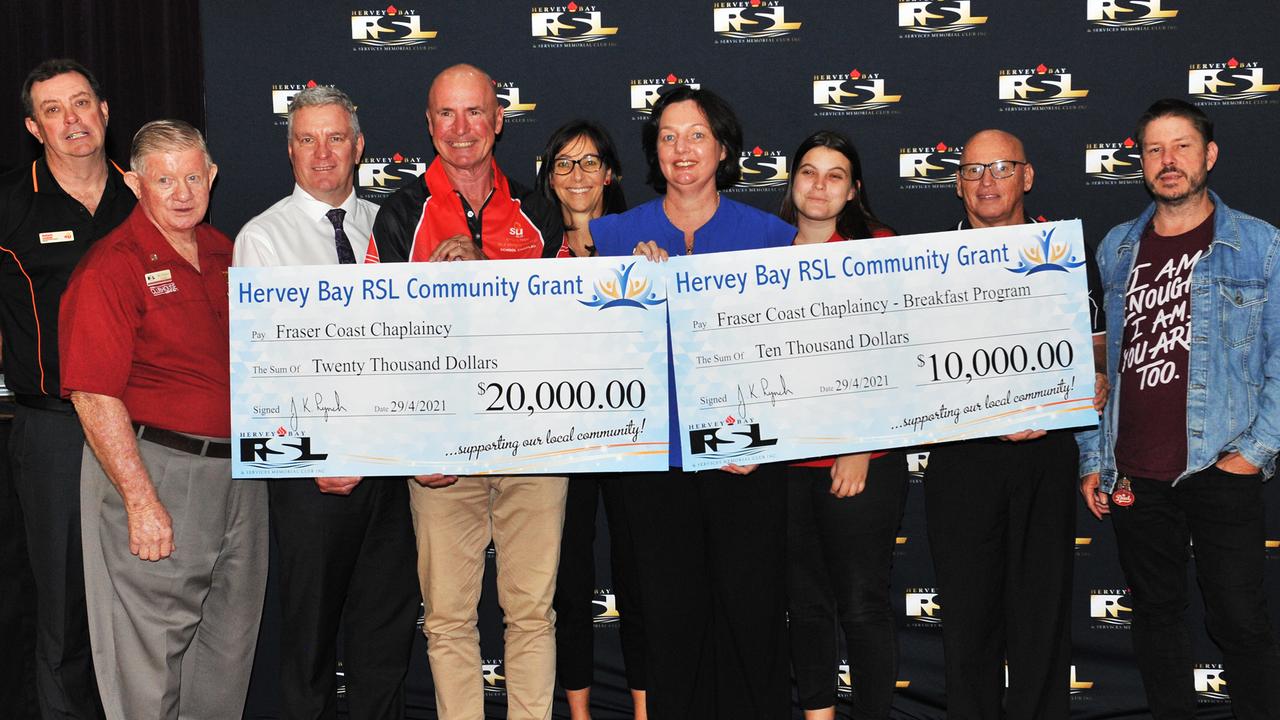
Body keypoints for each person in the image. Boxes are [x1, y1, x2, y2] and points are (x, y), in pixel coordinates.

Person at [588, 85, 795, 719]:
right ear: (654, 150)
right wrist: (633, 290)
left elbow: (784, 354)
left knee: (752, 620)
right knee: (670, 627)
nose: (683, 149)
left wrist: (762, 439)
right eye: (669, 136)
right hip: (655, 465)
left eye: (697, 134)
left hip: (745, 461)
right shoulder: (615, 235)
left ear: (724, 147)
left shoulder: (769, 235)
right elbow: (601, 357)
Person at [366, 63, 567, 720]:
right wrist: (410, 439)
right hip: (441, 446)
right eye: (446, 115)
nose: (461, 130)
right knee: (449, 619)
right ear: (428, 124)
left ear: (499, 120)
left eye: (474, 112)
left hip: (531, 442)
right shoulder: (399, 214)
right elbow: (382, 336)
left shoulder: (540, 211)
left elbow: (562, 329)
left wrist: (489, 277)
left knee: (531, 614)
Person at [59, 120, 267, 720]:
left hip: (242, 477)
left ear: (213, 177)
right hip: (158, 471)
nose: (181, 192)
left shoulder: (230, 255)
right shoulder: (111, 267)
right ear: (134, 183)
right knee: (146, 665)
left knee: (227, 652)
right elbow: (94, 397)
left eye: (193, 176)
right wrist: (140, 501)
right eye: (164, 179)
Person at [1080, 98, 1280, 719]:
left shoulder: (1259, 245)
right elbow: (1102, 370)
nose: (1169, 162)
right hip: (1137, 471)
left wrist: (1252, 454)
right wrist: (1095, 457)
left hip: (1221, 465)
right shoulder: (1117, 247)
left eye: (1182, 147)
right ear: (1140, 162)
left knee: (1241, 624)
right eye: (1155, 149)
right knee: (1157, 621)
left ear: (1209, 155)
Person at [234, 85, 421, 719]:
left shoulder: (393, 226)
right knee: (310, 646)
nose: (322, 153)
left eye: (335, 138)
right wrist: (315, 453)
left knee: (384, 640)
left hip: (390, 471)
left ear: (359, 146)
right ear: (289, 151)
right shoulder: (262, 239)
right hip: (313, 475)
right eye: (307, 140)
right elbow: (261, 365)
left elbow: (425, 346)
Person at [922, 129, 1106, 720]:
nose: (987, 182)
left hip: (1044, 455)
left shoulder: (1065, 256)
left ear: (1027, 177)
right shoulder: (923, 265)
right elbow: (905, 369)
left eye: (1002, 168)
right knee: (967, 622)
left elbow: (1097, 359)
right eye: (974, 171)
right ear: (958, 184)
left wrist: (1089, 387)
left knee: (1041, 618)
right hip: (962, 458)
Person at [0, 57, 135, 720]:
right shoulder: (9, 203)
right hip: (54, 430)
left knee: (149, 599)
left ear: (104, 112)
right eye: (54, 110)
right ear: (34, 126)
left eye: (82, 103)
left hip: (148, 426)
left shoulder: (147, 195)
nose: (73, 120)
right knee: (62, 610)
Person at [779, 130, 908, 720]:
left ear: (853, 190)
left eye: (835, 175)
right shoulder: (764, 256)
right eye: (809, 171)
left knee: (861, 605)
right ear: (793, 182)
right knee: (805, 607)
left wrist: (863, 442)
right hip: (786, 465)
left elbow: (901, 353)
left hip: (863, 464)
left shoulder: (880, 249)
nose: (820, 185)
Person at [533, 119, 646, 720]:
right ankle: (578, 713)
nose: (577, 176)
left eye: (589, 163)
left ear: (611, 173)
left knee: (640, 583)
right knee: (569, 586)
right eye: (563, 164)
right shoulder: (527, 253)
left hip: (635, 438)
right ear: (550, 180)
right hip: (561, 440)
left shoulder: (645, 244)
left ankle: (643, 709)